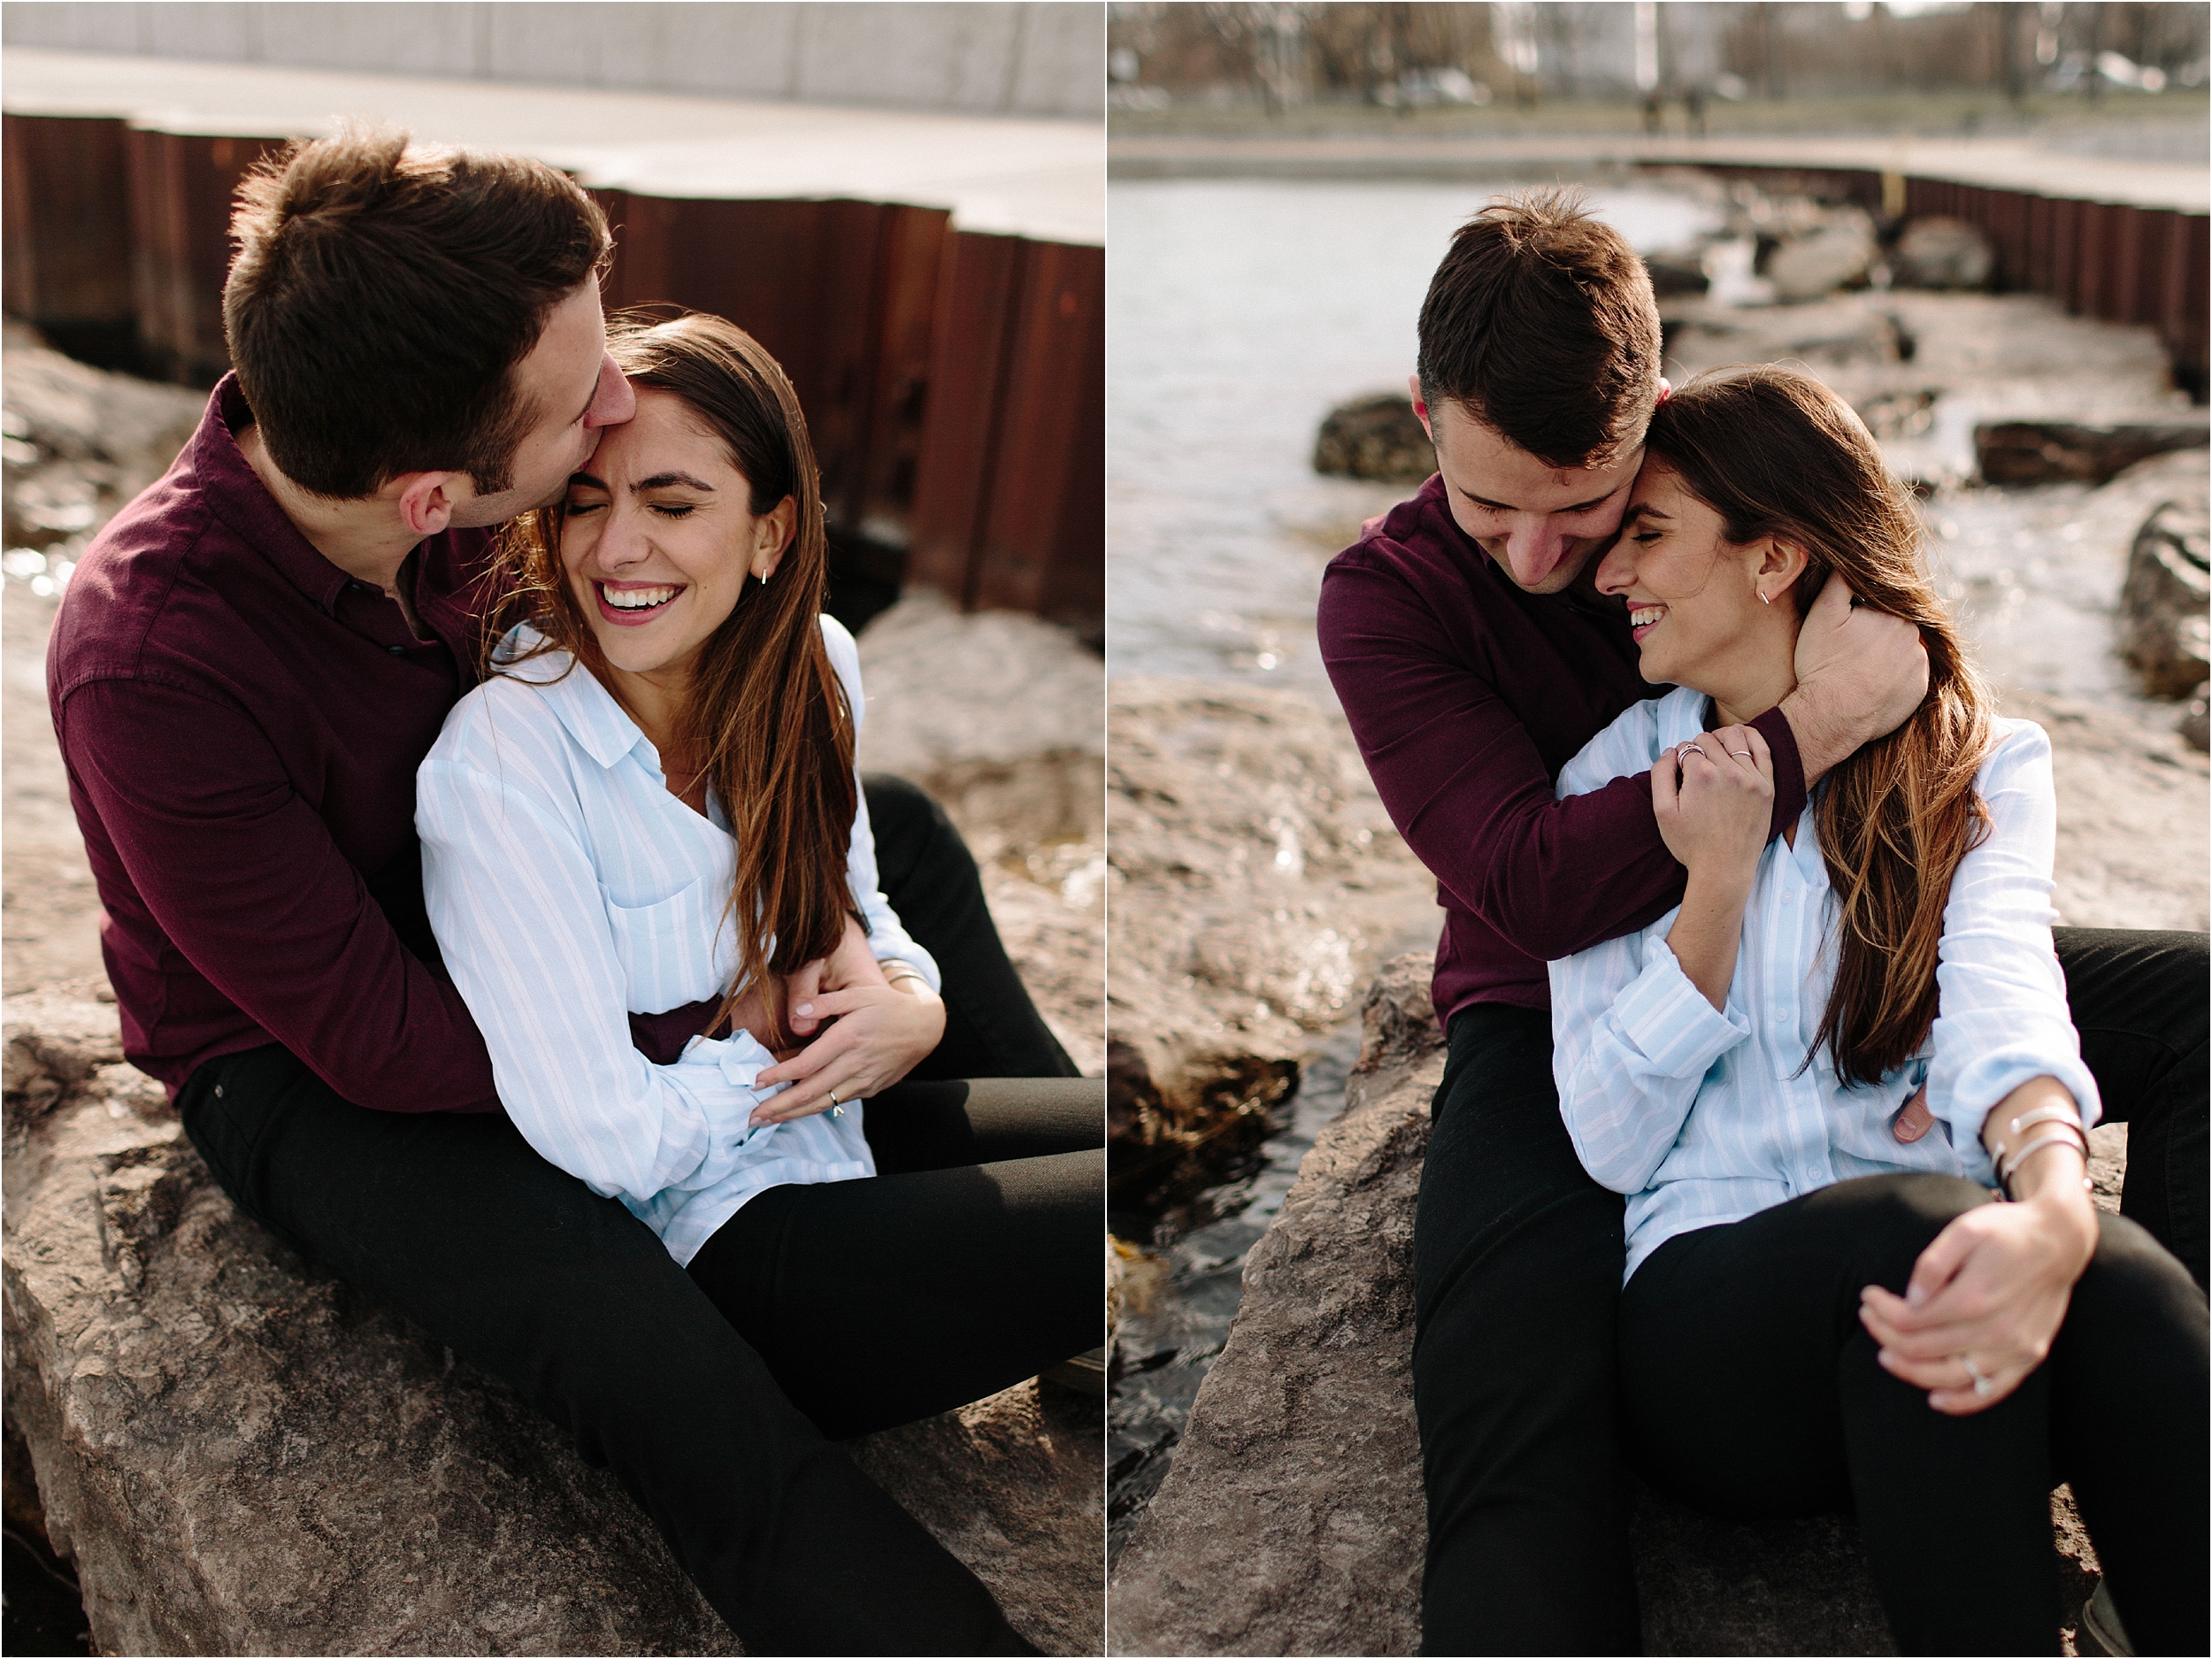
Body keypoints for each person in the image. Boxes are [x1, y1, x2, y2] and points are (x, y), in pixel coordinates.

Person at [48, 129, 1092, 1655]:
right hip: (318, 1056)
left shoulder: (459, 426)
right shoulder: (152, 661)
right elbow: (381, 1039)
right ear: (438, 501)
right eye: (583, 405)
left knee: (902, 826)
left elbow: (681, 677)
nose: (618, 399)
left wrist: (868, 970)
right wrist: (705, 1012)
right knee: (643, 1355)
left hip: (572, 900)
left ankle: (1005, 1233)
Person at [1316, 187, 2207, 1654]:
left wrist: (2049, 1193)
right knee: (1510, 1400)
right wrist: (1812, 728)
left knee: (2183, 1041)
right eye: (1493, 507)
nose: (1556, 563)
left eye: (1597, 511)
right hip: (1546, 993)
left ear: (1656, 425)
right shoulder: (1388, 600)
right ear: (1423, 416)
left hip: (1847, 929)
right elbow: (1534, 886)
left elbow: (1981, 934)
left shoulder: (1723, 502)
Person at [1551, 365, 2207, 1655]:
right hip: (1718, 1337)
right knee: (1933, 1232)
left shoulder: (1978, 759)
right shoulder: (1613, 781)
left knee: (2125, 1281)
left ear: (1773, 557)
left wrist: (2063, 1216)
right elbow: (1610, 1138)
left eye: (1648, 533)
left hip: (1935, 1278)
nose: (1607, 574)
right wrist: (1717, 884)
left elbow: (2005, 979)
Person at [414, 303, 1098, 1510]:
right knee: (1101, 1218)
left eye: (673, 506)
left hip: (832, 1143)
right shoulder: (506, 757)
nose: (618, 546)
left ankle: (1086, 1342)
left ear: (771, 531)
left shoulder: (814, 666)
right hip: (714, 1262)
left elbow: (859, 899)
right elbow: (607, 1138)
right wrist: (766, 1051)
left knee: (1115, 1135)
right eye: (584, 501)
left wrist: (915, 1008)